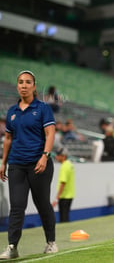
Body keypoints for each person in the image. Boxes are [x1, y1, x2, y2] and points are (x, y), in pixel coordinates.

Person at [0, 70, 58, 260]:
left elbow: (50, 133)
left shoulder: (42, 108)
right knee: (17, 206)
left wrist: (44, 156)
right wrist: (3, 162)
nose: (23, 85)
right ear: (17, 86)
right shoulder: (11, 112)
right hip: (17, 165)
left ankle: (51, 242)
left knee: (42, 204)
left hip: (38, 164)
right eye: (20, 82)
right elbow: (8, 139)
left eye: (28, 82)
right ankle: (12, 247)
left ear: (34, 86)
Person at [52, 147, 75, 222]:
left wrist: (56, 198)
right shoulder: (69, 164)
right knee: (66, 216)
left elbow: (63, 183)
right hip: (70, 195)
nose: (56, 157)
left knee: (63, 218)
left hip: (64, 196)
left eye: (58, 155)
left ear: (63, 156)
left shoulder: (64, 167)